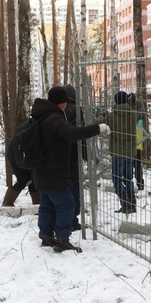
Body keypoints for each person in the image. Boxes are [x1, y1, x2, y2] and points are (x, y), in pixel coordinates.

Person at [32, 86, 109, 252]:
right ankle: (62, 239)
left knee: (46, 204)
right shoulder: (53, 118)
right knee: (66, 204)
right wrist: (98, 128)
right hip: (55, 171)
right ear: (63, 103)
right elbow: (72, 133)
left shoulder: (40, 115)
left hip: (42, 170)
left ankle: (46, 235)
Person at [102, 91, 139, 214]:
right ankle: (132, 204)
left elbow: (98, 122)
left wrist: (102, 115)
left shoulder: (111, 116)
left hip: (117, 153)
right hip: (130, 152)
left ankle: (125, 203)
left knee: (117, 179)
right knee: (128, 178)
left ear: (116, 101)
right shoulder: (133, 114)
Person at [2, 119, 41, 206]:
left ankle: (37, 204)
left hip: (19, 153)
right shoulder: (34, 125)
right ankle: (7, 203)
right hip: (18, 154)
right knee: (23, 179)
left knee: (32, 179)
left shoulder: (31, 123)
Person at [64, 84, 82, 230]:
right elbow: (80, 132)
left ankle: (65, 217)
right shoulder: (76, 110)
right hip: (74, 154)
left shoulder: (56, 109)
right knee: (74, 186)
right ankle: (73, 219)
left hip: (59, 156)